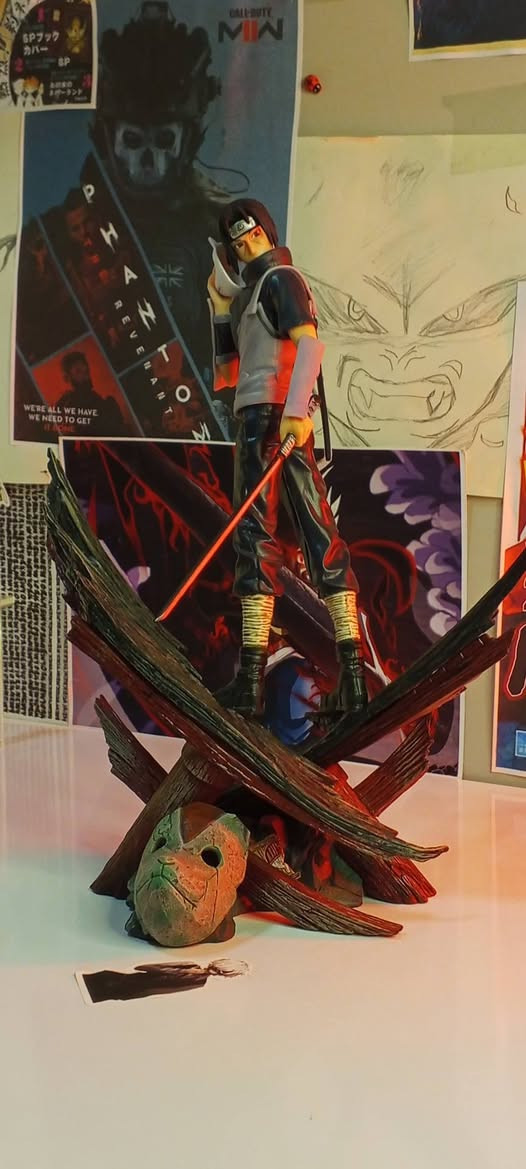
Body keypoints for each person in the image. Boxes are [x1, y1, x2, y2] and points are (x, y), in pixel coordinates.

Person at [206, 198, 368, 720]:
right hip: (253, 421)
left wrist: (298, 411)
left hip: (280, 419)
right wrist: (220, 309)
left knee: (316, 535)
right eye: (237, 243)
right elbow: (227, 375)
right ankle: (251, 681)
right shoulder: (251, 294)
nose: (246, 246)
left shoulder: (282, 280)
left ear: (267, 233)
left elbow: (310, 347)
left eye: (252, 235)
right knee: (255, 541)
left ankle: (353, 675)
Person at [56, 351, 126, 436]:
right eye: (78, 371)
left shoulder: (96, 398)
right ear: (67, 377)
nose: (86, 375)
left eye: (86, 370)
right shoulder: (65, 406)